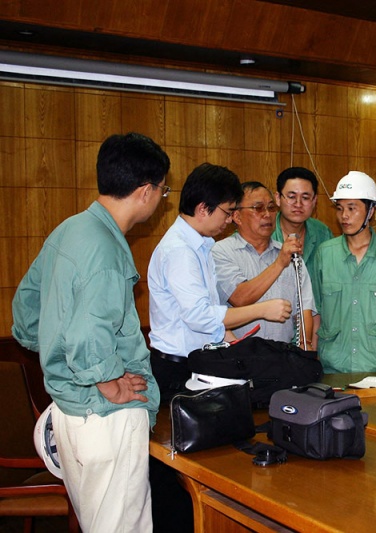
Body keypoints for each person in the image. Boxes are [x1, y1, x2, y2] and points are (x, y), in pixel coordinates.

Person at [12, 132, 170, 532]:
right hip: (105, 417)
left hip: (70, 409)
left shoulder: (70, 229)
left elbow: (26, 313)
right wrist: (109, 381)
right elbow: (88, 336)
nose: (160, 198)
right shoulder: (106, 251)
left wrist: (61, 354)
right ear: (146, 191)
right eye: (163, 191)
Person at [148, 163, 292, 403]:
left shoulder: (201, 245)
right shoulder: (180, 251)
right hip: (177, 368)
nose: (229, 220)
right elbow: (200, 316)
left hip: (198, 362)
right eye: (227, 212)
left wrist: (231, 339)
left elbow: (209, 309)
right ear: (203, 208)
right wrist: (261, 310)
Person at [309, 171, 376, 374]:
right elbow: (316, 309)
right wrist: (312, 352)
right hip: (332, 366)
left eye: (352, 208)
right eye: (340, 208)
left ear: (371, 211)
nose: (344, 216)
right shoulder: (325, 253)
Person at [213, 181, 315, 348]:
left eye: (271, 208)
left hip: (282, 354)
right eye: (258, 208)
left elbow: (304, 309)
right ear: (237, 217)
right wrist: (279, 263)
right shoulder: (221, 251)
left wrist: (305, 343)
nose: (267, 214)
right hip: (237, 355)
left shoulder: (292, 256)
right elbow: (239, 297)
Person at [272, 166, 333, 274]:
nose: (298, 204)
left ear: (314, 201)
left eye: (305, 198)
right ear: (278, 198)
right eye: (291, 197)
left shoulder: (323, 233)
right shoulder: (264, 232)